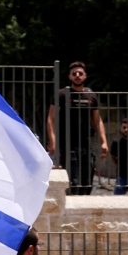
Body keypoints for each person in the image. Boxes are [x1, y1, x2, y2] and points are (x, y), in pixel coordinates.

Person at [46, 61, 109, 195]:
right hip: (67, 146)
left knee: (87, 184)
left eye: (80, 73)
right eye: (74, 73)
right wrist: (53, 142)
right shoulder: (62, 94)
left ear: (85, 76)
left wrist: (103, 141)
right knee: (73, 183)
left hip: (86, 145)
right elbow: (51, 119)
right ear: (70, 77)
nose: (77, 76)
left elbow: (97, 120)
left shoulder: (91, 96)